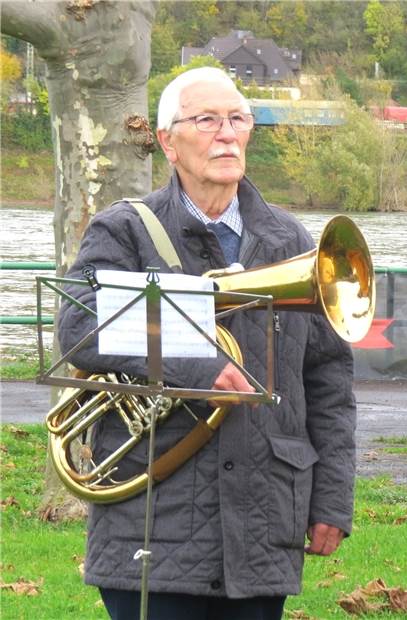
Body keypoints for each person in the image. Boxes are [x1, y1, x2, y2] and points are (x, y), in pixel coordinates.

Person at [56, 67, 357, 619]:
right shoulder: (124, 229)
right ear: (169, 143)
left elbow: (329, 381)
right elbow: (79, 328)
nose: (227, 133)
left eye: (238, 119)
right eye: (207, 120)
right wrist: (197, 366)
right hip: (151, 520)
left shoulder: (291, 240)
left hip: (264, 522)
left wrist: (332, 498)